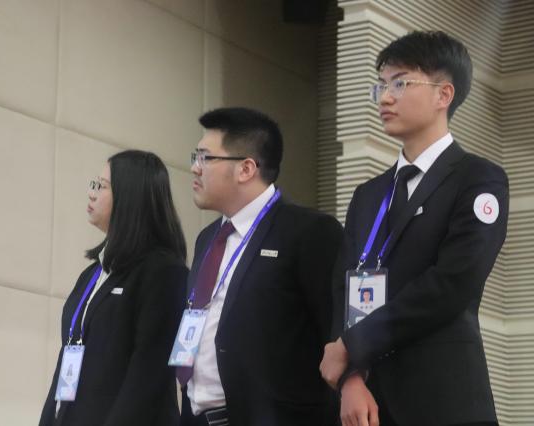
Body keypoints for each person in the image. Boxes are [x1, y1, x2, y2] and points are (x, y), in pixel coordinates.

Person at [320, 31, 508, 426]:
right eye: (381, 86)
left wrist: (352, 345)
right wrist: (350, 378)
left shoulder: (478, 179)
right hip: (368, 403)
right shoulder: (368, 194)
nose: (385, 98)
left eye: (400, 83)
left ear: (444, 94)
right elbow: (342, 288)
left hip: (444, 401)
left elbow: (452, 283)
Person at [175, 107, 343, 426]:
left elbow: (333, 334)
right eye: (195, 157)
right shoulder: (207, 239)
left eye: (205, 158)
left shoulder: (309, 232)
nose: (195, 168)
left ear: (246, 169)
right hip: (196, 416)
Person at [39, 150, 188, 426]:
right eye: (93, 184)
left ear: (130, 196)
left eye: (102, 186)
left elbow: (148, 378)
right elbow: (67, 360)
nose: (91, 193)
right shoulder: (92, 274)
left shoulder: (164, 272)